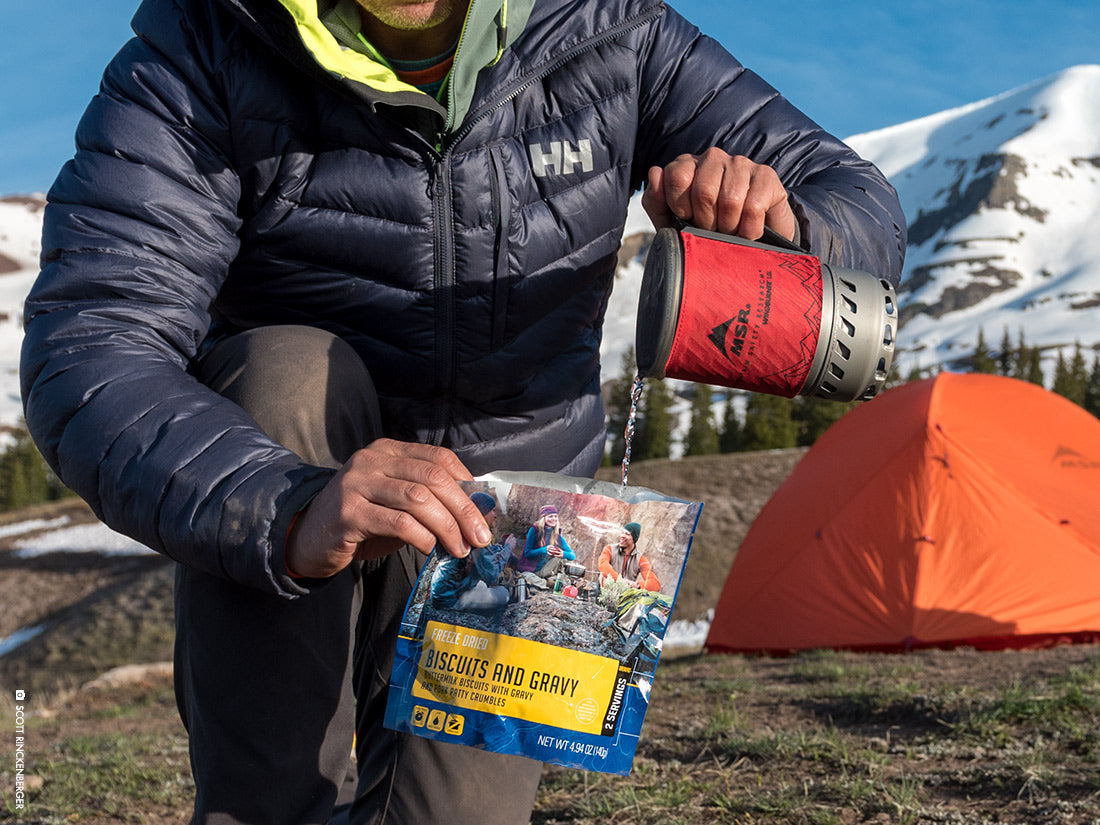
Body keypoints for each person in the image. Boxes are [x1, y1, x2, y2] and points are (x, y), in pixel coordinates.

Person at [19, 0, 906, 822]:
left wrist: (783, 226)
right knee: (286, 370)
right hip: (290, 497)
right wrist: (286, 505)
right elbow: (92, 348)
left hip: (522, 531)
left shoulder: (613, 29)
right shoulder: (203, 45)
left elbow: (858, 203)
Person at [430, 491, 513, 611]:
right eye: (492, 510)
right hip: (451, 600)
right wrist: (508, 548)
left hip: (444, 593)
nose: (495, 515)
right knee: (503, 593)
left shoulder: (465, 531)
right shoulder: (476, 541)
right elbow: (491, 575)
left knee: (482, 585)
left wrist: (497, 550)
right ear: (483, 513)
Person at [599, 522, 661, 592]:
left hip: (625, 596)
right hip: (605, 592)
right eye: (622, 533)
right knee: (603, 576)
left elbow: (655, 585)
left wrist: (637, 585)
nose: (622, 536)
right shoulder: (609, 549)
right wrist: (620, 581)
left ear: (634, 539)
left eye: (627, 534)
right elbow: (603, 565)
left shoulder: (641, 560)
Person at [519, 504, 575, 577]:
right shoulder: (534, 530)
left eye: (555, 516)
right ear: (544, 518)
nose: (553, 519)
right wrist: (544, 549)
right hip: (529, 569)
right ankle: (545, 583)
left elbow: (572, 555)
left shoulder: (556, 534)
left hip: (544, 569)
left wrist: (563, 554)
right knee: (529, 578)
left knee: (562, 559)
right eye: (550, 516)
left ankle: (546, 581)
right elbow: (527, 553)